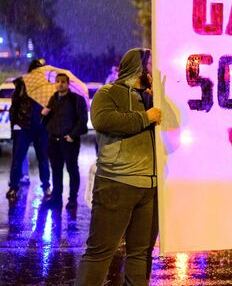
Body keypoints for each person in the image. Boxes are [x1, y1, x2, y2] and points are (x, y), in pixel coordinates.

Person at [77, 48, 162, 286]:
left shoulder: (153, 97)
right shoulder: (109, 92)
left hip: (150, 188)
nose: (155, 68)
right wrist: (146, 117)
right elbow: (103, 120)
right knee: (99, 253)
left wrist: (157, 100)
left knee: (141, 254)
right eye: (151, 64)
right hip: (116, 182)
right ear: (138, 67)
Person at [6, 59, 52, 201]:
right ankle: (13, 187)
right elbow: (14, 107)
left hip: (41, 128)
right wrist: (15, 127)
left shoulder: (47, 87)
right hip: (24, 127)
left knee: (43, 159)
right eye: (38, 69)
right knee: (17, 159)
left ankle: (46, 187)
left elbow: (53, 108)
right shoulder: (22, 84)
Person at [41, 72, 88, 208]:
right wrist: (43, 114)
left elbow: (82, 120)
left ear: (68, 84)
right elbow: (44, 122)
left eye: (63, 82)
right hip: (53, 141)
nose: (60, 84)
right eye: (58, 81)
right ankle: (56, 198)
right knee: (56, 170)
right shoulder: (52, 99)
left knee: (72, 169)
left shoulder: (76, 100)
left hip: (69, 141)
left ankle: (72, 199)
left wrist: (72, 135)